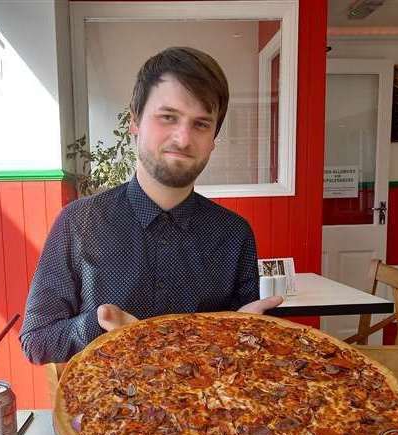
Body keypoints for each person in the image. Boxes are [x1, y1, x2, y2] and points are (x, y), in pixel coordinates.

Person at [20, 46, 283, 364]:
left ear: (214, 138)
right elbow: (36, 342)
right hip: (102, 408)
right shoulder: (78, 223)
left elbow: (245, 345)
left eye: (201, 124)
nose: (183, 138)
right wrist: (98, 325)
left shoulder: (234, 234)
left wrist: (249, 335)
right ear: (135, 119)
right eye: (168, 117)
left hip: (206, 410)